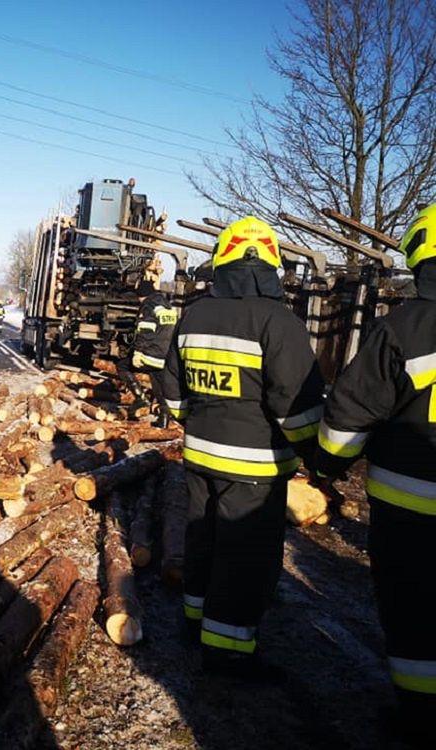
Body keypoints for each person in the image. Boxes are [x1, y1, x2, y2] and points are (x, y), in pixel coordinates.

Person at [159, 216, 325, 682]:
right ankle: (227, 654)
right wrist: (319, 458)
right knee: (243, 558)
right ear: (271, 262)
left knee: (203, 539)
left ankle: (194, 621)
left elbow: (173, 394)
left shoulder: (194, 315)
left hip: (200, 457)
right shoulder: (279, 322)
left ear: (223, 259)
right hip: (256, 465)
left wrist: (196, 423)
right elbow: (297, 407)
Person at [315, 203, 436, 745]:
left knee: (414, 615)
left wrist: (326, 467)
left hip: (413, 514)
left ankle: (419, 714)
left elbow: (349, 414)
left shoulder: (404, 329)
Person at [117, 279, 178, 427]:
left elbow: (145, 331)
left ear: (142, 295)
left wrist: (138, 352)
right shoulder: (167, 305)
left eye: (139, 296)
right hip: (165, 355)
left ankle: (140, 398)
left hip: (150, 353)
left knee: (122, 366)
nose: (138, 299)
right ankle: (164, 418)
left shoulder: (148, 305)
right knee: (158, 385)